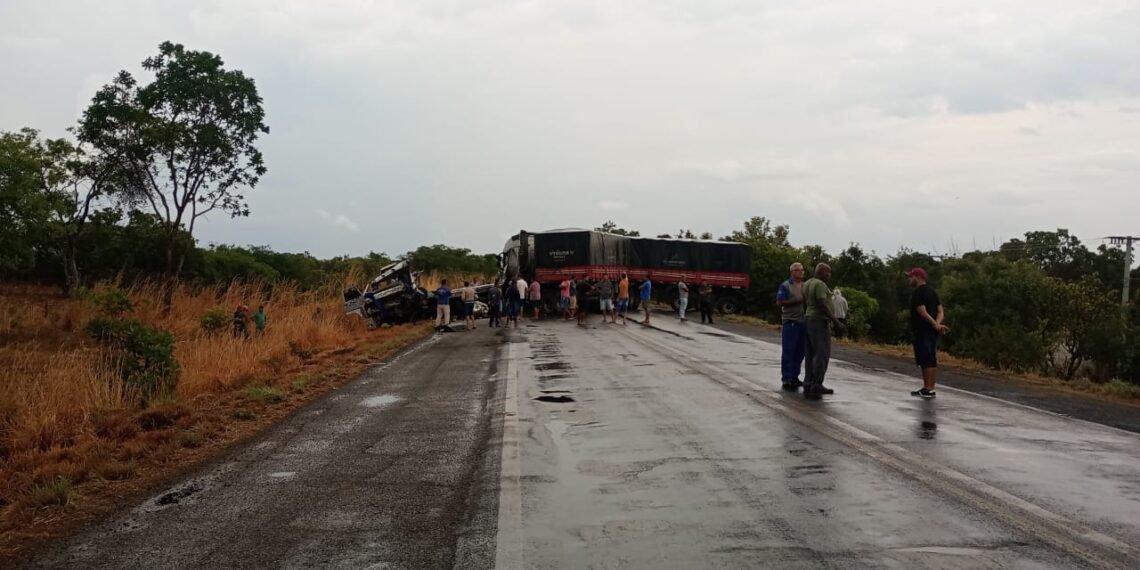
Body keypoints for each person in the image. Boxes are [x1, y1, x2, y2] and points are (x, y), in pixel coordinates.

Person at [802, 263, 845, 396]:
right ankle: (817, 383)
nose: (829, 275)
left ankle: (808, 382)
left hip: (809, 319)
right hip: (819, 322)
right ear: (821, 272)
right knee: (822, 353)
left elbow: (805, 301)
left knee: (810, 354)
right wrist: (835, 321)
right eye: (828, 272)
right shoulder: (820, 284)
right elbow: (822, 304)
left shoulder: (807, 283)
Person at [908, 268, 949, 399]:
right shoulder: (932, 292)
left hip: (922, 330)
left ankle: (928, 388)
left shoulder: (918, 293)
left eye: (910, 277)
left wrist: (935, 324)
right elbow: (940, 311)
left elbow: (922, 311)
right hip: (932, 331)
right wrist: (937, 324)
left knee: (925, 359)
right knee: (931, 358)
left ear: (917, 277)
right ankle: (929, 388)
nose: (909, 279)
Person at [776, 263, 807, 390]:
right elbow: (779, 301)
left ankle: (795, 376)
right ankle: (786, 378)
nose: (801, 272)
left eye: (802, 270)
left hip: (802, 322)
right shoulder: (785, 285)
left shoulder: (805, 286)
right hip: (790, 321)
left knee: (800, 352)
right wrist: (797, 301)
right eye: (799, 270)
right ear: (792, 272)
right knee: (789, 350)